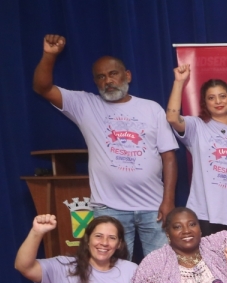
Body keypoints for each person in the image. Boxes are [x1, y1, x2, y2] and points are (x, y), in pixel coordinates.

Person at [33, 35, 178, 255]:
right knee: (112, 270)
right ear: (95, 82)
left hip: (154, 207)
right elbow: (42, 87)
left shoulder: (152, 108)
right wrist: (49, 55)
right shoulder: (85, 105)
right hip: (109, 209)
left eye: (113, 74)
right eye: (101, 77)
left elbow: (169, 157)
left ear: (127, 76)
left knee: (160, 269)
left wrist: (168, 201)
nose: (108, 81)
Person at [165, 64, 227, 235]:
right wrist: (179, 81)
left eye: (222, 96)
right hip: (204, 214)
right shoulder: (197, 126)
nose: (218, 102)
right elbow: (172, 117)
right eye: (211, 98)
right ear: (205, 103)